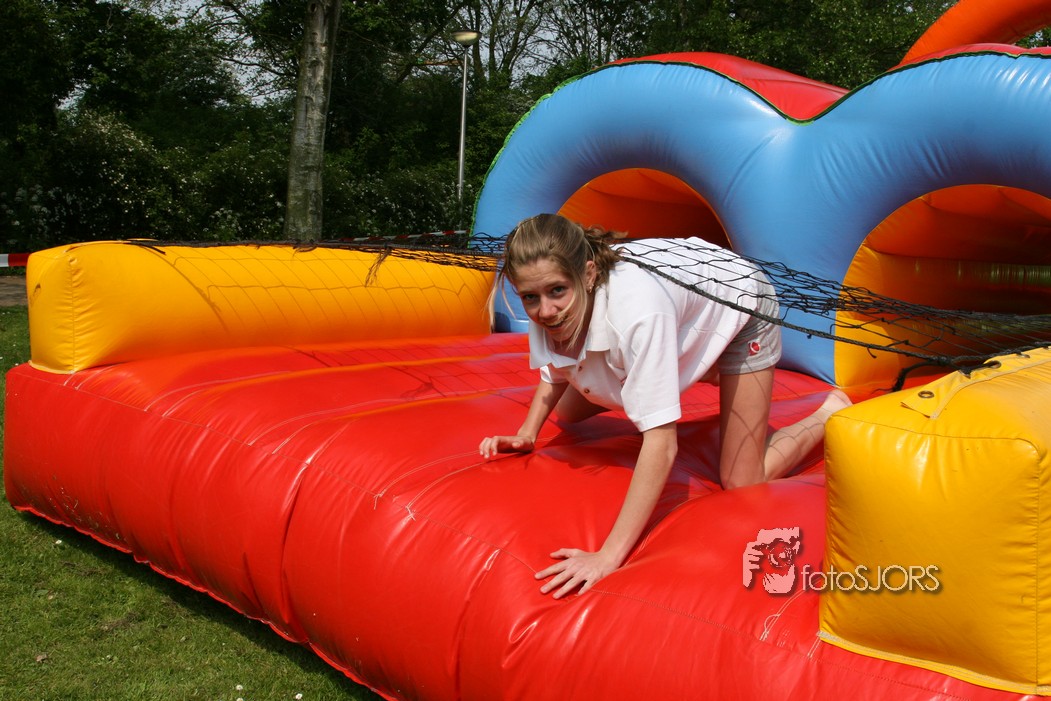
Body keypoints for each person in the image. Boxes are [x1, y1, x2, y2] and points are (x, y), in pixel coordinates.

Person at [478, 213, 851, 599]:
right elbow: (557, 366)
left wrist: (608, 556)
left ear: (588, 275)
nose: (545, 310)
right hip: (680, 295)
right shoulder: (553, 303)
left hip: (741, 299)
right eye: (530, 297)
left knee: (742, 479)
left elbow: (661, 443)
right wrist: (527, 433)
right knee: (571, 411)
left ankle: (827, 412)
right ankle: (705, 368)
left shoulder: (637, 314)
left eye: (557, 291)